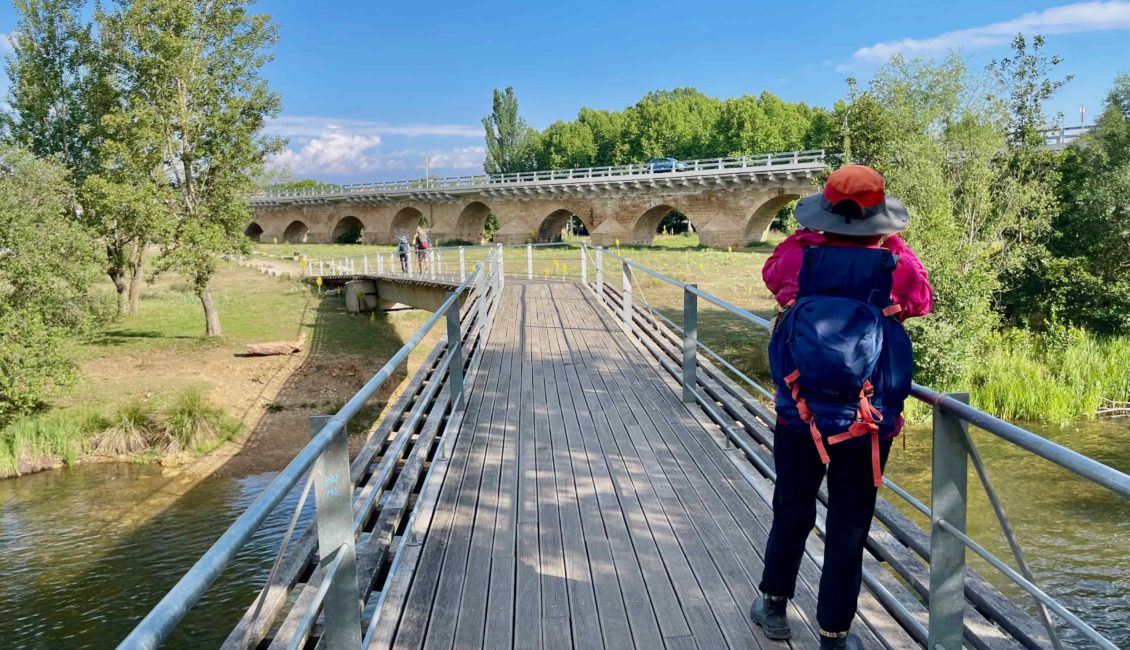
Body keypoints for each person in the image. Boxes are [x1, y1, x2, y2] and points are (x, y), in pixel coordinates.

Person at [751, 165, 933, 650]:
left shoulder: (799, 257)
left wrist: (807, 235)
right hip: (866, 418)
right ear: (879, 220)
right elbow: (922, 300)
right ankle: (834, 634)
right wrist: (890, 245)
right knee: (850, 524)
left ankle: (772, 604)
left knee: (792, 507)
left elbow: (773, 276)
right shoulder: (896, 266)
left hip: (800, 409)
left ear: (826, 211)